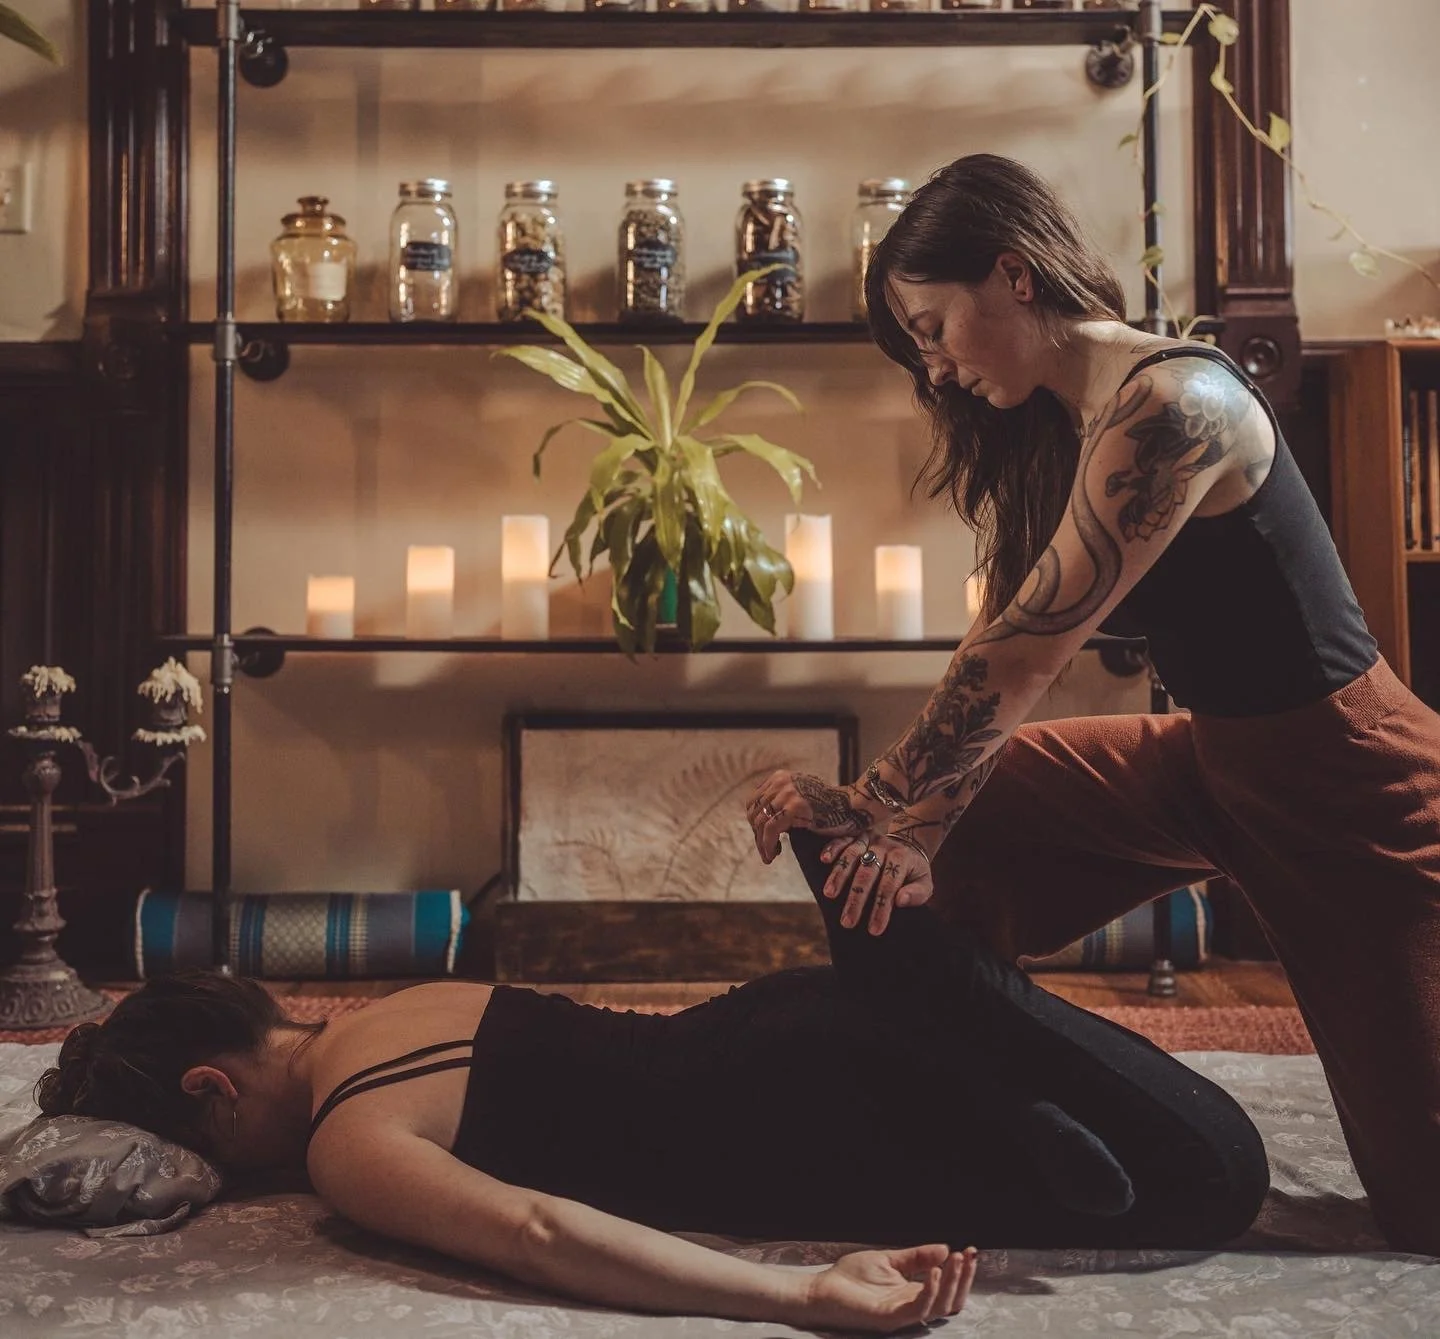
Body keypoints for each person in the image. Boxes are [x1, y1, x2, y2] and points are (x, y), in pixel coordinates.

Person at [745, 151, 1440, 1257]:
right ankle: (1015, 1123)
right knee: (927, 858)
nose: (932, 370)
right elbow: (1000, 635)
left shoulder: (1177, 402)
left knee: (1428, 1211)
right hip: (1204, 765)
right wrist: (873, 808)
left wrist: (910, 822)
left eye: (932, 329)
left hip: (1356, 786)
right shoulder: (1075, 422)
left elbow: (1028, 657)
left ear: (1015, 276)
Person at [35, 833, 1267, 1334]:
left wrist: (798, 1295)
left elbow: (539, 1229)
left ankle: (938, 999)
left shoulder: (347, 1141)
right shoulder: (402, 1008)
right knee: (1188, 1159)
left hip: (809, 1134)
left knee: (1212, 1183)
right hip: (786, 1023)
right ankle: (918, 978)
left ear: (213, 1087)